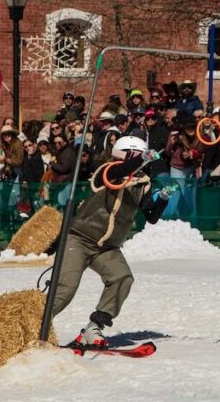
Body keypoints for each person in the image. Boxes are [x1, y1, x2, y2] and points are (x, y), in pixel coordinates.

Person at [51, 135, 169, 347]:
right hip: (79, 239)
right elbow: (121, 172)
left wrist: (162, 200)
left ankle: (94, 327)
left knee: (122, 278)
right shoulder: (107, 171)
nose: (144, 162)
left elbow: (150, 216)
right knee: (66, 288)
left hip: (107, 248)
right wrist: (143, 158)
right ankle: (34, 323)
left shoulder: (141, 183)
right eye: (140, 156)